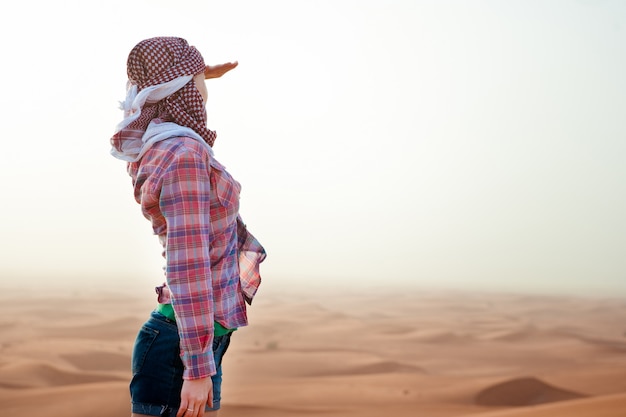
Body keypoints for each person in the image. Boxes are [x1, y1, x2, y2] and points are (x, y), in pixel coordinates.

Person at [110, 36, 266, 417]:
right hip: (181, 351)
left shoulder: (159, 143)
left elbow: (148, 92)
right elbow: (188, 264)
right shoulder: (185, 154)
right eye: (198, 83)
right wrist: (197, 368)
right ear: (182, 90)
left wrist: (195, 73)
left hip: (192, 341)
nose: (205, 93)